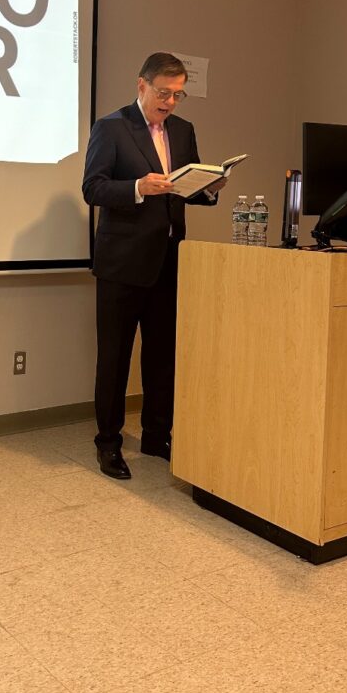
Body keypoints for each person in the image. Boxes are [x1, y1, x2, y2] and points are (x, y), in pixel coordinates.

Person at [82, 52, 225, 479]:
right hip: (122, 264)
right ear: (142, 85)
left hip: (169, 259)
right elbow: (93, 187)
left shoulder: (183, 130)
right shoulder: (111, 127)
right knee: (115, 359)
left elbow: (187, 189)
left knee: (163, 357)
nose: (170, 102)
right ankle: (108, 443)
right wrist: (138, 188)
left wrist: (210, 186)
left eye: (178, 95)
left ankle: (157, 436)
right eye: (164, 93)